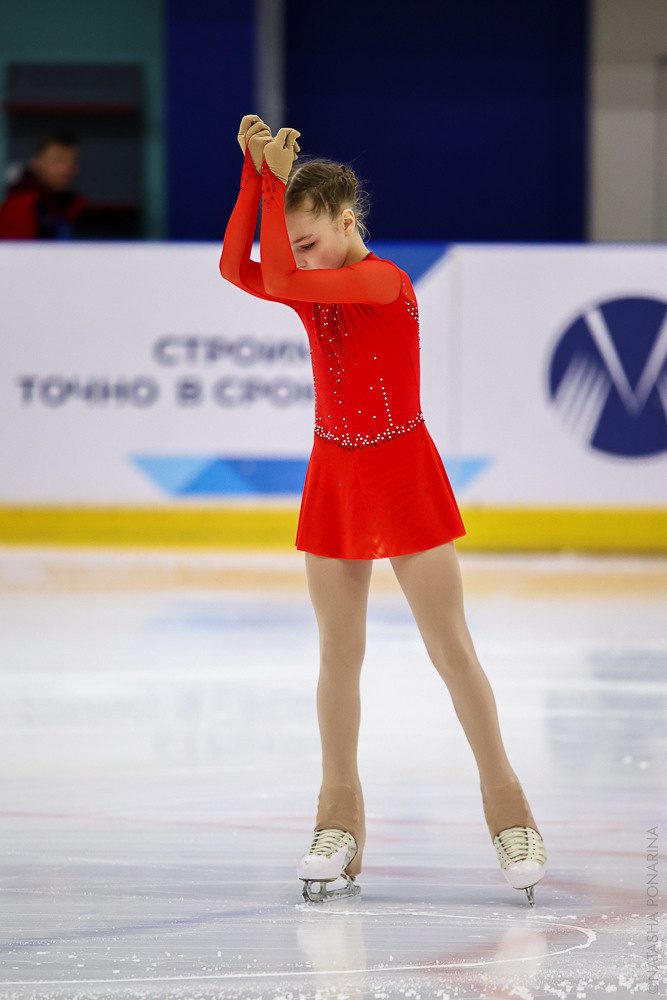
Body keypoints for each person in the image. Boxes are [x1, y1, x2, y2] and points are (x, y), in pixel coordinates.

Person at [220, 114, 548, 905]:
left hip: (401, 469)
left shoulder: (383, 282)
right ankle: (338, 816)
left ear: (346, 221)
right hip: (334, 468)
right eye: (290, 245)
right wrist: (251, 179)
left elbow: (285, 279)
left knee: (450, 649)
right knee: (339, 653)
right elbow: (238, 269)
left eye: (308, 241)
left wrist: (271, 184)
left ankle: (507, 807)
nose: (293, 259)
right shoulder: (313, 288)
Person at [0, 130, 86, 239]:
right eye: (58, 161)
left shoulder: (73, 203)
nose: (66, 169)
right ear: (37, 163)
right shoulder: (21, 205)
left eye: (72, 161)